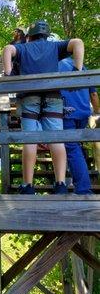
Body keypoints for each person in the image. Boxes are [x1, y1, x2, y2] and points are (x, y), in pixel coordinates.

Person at [2, 20, 84, 194]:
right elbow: (78, 42)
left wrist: (8, 74)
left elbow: (8, 49)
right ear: (46, 34)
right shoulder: (54, 47)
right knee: (56, 138)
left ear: (29, 36)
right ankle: (61, 184)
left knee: (30, 140)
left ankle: (28, 185)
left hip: (29, 97)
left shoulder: (24, 48)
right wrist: (77, 70)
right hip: (53, 96)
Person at [58, 53, 100, 194]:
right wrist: (97, 111)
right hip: (83, 112)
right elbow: (93, 94)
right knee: (74, 147)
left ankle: (83, 188)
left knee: (71, 148)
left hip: (67, 111)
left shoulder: (56, 65)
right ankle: (75, 183)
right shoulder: (81, 65)